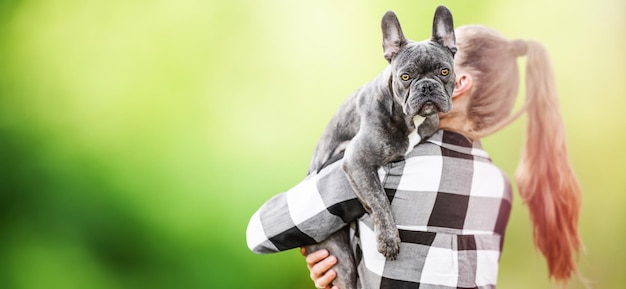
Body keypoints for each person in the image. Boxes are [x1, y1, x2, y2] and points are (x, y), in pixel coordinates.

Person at [247, 24, 582, 288]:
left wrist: (331, 259)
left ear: (459, 82)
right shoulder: (500, 189)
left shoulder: (388, 165)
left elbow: (261, 233)